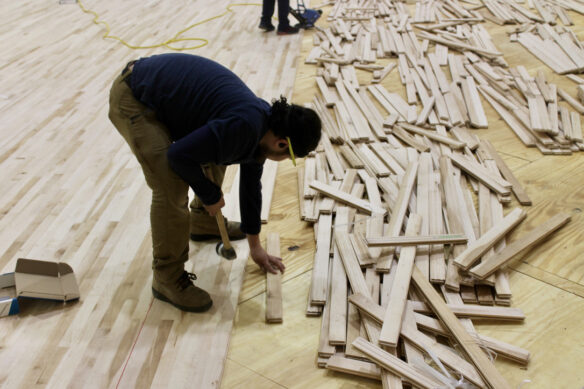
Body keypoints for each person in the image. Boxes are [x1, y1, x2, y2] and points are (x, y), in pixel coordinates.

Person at [108, 53, 321, 313]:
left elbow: (251, 187)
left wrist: (256, 247)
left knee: (219, 150)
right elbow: (179, 156)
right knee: (171, 188)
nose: (281, 160)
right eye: (287, 157)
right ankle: (167, 276)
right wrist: (208, 193)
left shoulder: (263, 126)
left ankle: (202, 222)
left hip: (158, 89)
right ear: (281, 144)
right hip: (135, 97)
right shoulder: (245, 125)